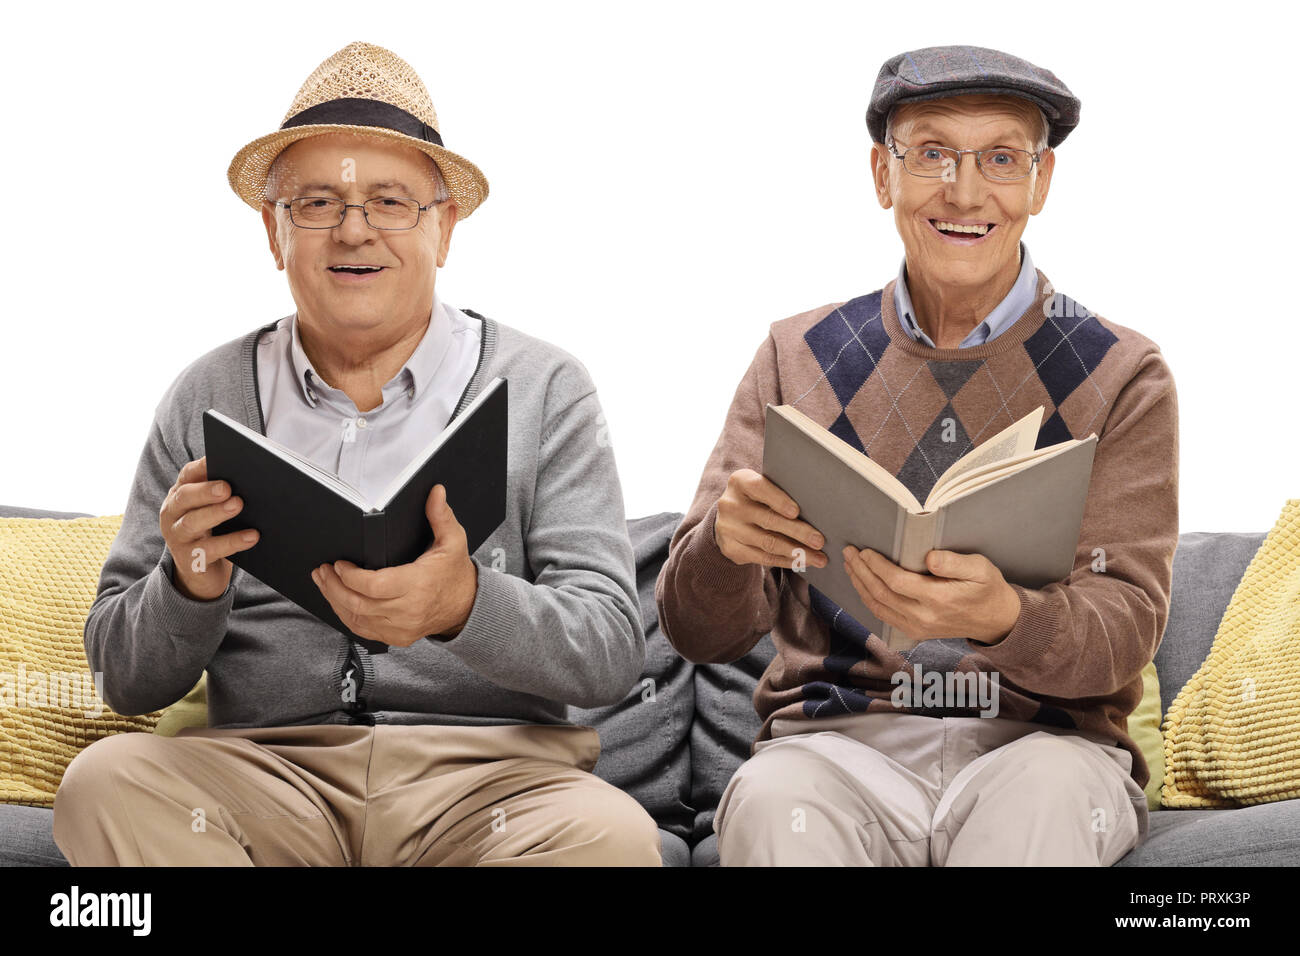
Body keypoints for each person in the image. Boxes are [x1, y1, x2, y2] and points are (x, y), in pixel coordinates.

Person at [53, 41, 661, 866]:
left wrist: (464, 605)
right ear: (274, 232)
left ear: (443, 228)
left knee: (613, 837)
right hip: (265, 778)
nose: (352, 230)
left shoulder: (546, 389)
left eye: (390, 201)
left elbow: (610, 650)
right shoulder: (207, 395)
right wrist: (186, 587)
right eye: (315, 203)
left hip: (488, 789)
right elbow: (122, 676)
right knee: (104, 784)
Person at [656, 44, 1179, 866]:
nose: (964, 192)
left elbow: (1127, 629)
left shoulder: (1122, 371)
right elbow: (694, 628)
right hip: (837, 748)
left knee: (1042, 799)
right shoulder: (795, 356)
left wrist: (1006, 617)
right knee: (772, 799)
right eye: (931, 152)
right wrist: (724, 550)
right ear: (881, 175)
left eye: (1002, 159)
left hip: (1042, 750)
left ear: (1040, 184)